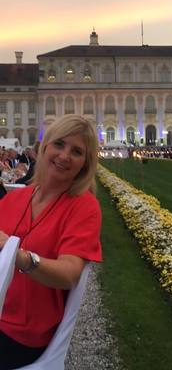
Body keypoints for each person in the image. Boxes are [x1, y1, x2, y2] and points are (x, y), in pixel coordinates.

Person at [0, 115, 102, 369]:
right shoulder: (14, 200)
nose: (65, 155)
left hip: (22, 332)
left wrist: (16, 253)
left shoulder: (83, 207)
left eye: (76, 151)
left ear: (85, 164)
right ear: (44, 148)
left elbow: (68, 274)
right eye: (59, 144)